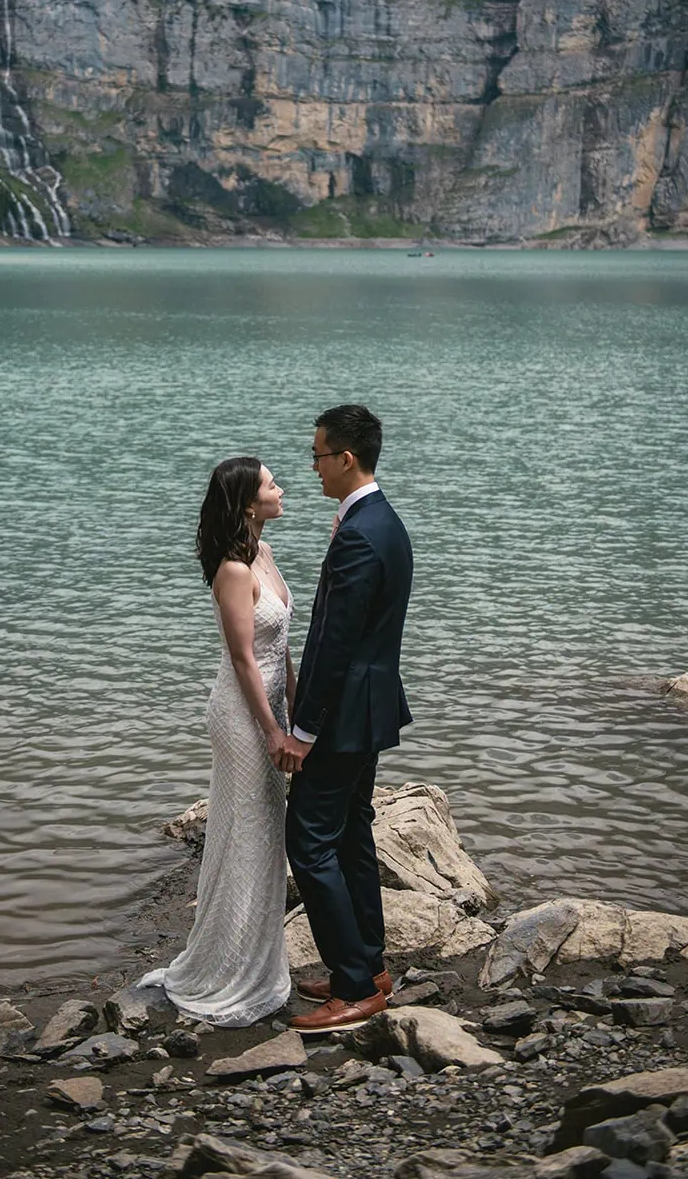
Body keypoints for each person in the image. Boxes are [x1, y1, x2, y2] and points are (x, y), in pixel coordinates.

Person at [140, 456, 299, 1026]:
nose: (282, 489)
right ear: (248, 504)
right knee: (246, 831)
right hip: (241, 715)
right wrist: (273, 729)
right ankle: (228, 966)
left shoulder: (265, 552)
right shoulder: (233, 569)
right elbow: (243, 660)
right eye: (271, 484)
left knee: (263, 830)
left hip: (272, 707)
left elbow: (281, 647)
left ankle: (254, 956)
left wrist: (297, 713)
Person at [282, 404, 414, 1034]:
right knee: (353, 833)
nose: (312, 467)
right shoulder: (385, 522)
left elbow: (335, 642)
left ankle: (356, 988)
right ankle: (367, 964)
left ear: (346, 459)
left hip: (342, 717)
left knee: (308, 842)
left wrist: (302, 730)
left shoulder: (360, 532)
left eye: (317, 455)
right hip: (371, 708)